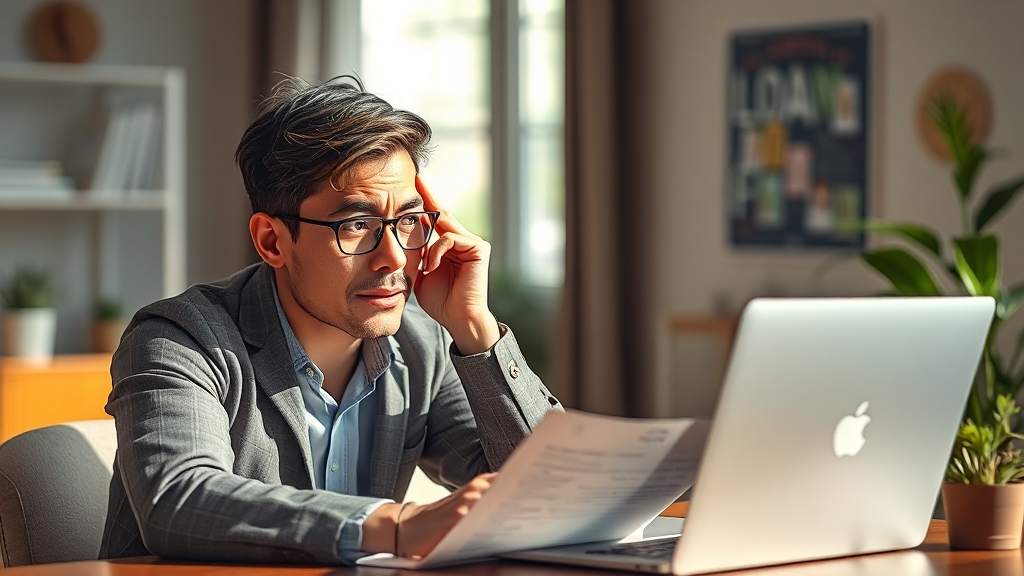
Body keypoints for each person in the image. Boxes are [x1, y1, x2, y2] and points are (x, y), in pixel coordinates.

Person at [100, 76, 562, 564]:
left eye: (407, 221)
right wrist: (395, 525)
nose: (394, 259)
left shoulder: (422, 343)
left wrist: (476, 331)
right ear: (273, 241)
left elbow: (548, 494)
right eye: (357, 224)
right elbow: (179, 500)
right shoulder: (180, 339)